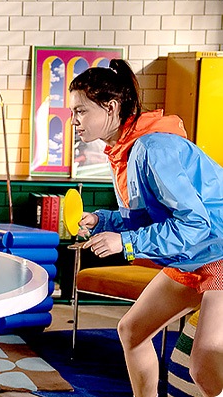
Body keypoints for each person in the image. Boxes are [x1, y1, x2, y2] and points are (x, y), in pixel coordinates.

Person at [70, 59, 223, 397]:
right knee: (132, 331)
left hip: (219, 254)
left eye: (80, 111)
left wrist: (125, 243)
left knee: (205, 363)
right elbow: (149, 215)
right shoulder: (124, 150)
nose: (74, 121)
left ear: (110, 107)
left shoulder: (153, 148)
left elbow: (194, 222)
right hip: (193, 256)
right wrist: (103, 220)